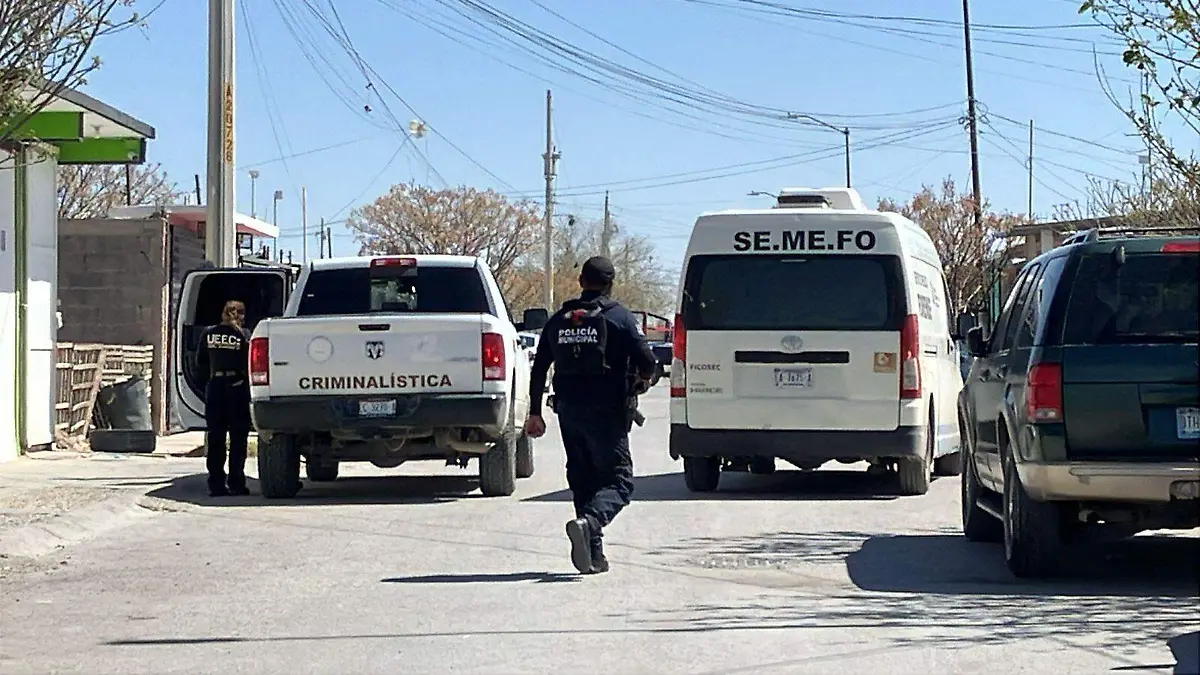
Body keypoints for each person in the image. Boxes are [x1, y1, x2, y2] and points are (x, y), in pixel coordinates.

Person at [524, 256, 657, 575]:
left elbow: (539, 368)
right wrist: (642, 381)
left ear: (581, 281)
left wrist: (534, 413)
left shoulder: (559, 320)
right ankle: (590, 523)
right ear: (611, 284)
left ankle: (594, 553)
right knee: (619, 482)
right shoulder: (620, 318)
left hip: (568, 411)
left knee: (582, 478)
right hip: (607, 411)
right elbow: (649, 361)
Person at [196, 300, 252, 497]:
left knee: (216, 437)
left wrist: (209, 382)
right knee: (238, 438)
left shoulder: (208, 333)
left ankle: (216, 484)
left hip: (216, 387)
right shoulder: (244, 335)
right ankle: (237, 483)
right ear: (241, 316)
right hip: (237, 388)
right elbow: (249, 364)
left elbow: (200, 363)